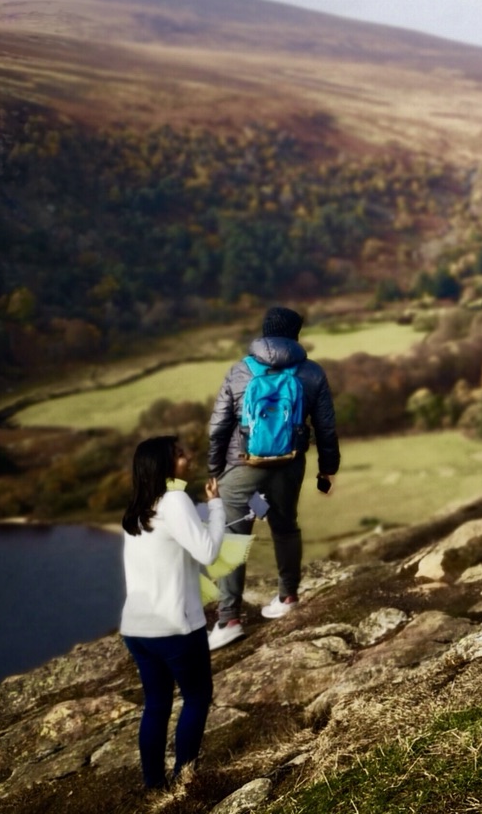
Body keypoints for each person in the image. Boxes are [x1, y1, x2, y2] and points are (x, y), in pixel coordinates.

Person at [205, 307, 339, 650]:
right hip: (289, 465)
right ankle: (287, 597)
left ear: (264, 334)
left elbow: (219, 426)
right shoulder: (311, 373)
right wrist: (328, 469)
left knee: (233, 536)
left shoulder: (239, 371)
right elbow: (325, 428)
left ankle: (229, 619)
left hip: (242, 464)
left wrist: (215, 471)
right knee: (284, 527)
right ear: (295, 335)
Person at [119, 435, 236, 793]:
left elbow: (181, 537)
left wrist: (202, 510)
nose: (189, 457)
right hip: (175, 629)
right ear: (164, 465)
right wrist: (215, 507)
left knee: (156, 705)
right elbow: (207, 551)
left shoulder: (140, 508)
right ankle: (184, 779)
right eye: (180, 454)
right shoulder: (174, 499)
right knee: (197, 697)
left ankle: (154, 784)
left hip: (137, 629)